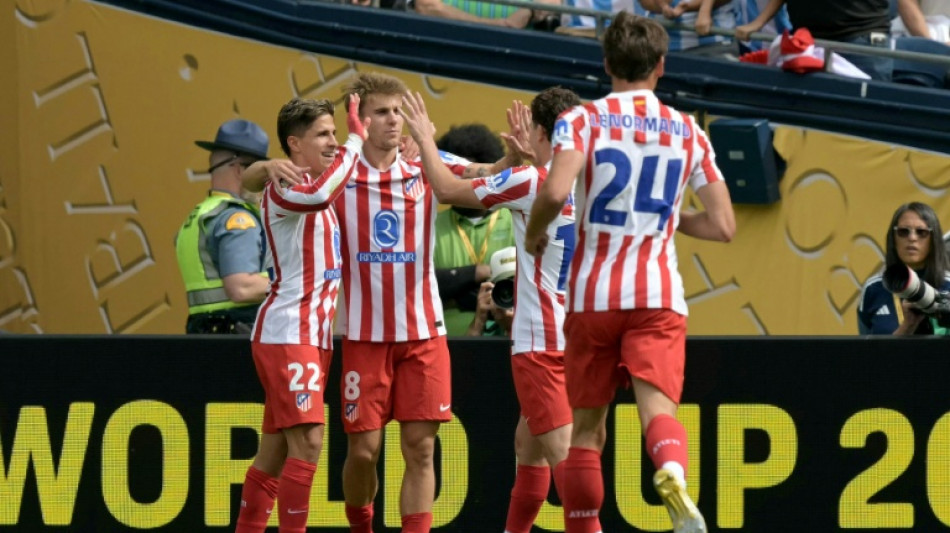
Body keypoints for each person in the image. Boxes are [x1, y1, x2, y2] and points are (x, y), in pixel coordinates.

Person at [523, 13, 735, 533]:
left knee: (587, 433)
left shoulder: (582, 119)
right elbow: (724, 225)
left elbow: (554, 192)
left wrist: (534, 234)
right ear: (661, 66)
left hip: (593, 295)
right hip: (658, 294)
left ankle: (582, 526)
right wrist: (670, 217)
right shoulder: (690, 130)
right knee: (657, 412)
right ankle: (669, 469)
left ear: (606, 63)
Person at [400, 86, 586, 533]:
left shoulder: (533, 183)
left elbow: (446, 189)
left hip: (541, 346)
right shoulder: (589, 181)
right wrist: (513, 160)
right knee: (529, 446)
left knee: (565, 464)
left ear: (541, 132)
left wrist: (425, 138)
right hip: (580, 339)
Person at [234, 97, 367, 533]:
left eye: (334, 132)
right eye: (323, 134)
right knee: (309, 444)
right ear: (294, 144)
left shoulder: (314, 185)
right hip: (289, 332)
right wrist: (354, 141)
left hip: (310, 336)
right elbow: (322, 191)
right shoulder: (289, 187)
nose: (332, 141)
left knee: (272, 454)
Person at [175, 119, 272, 334]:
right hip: (237, 334)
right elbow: (241, 287)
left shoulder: (198, 217)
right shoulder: (237, 219)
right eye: (260, 172)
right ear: (240, 171)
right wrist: (296, 283)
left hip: (204, 333)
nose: (265, 181)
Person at [432, 123, 516, 336]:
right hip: (450, 344)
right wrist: (479, 272)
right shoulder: (432, 225)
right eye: (459, 178)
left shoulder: (514, 221)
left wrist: (456, 291)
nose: (467, 186)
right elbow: (422, 285)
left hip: (508, 339)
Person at [857, 202, 950, 335]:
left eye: (921, 232)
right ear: (893, 238)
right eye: (903, 232)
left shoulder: (948, 285)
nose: (912, 238)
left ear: (933, 239)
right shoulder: (873, 288)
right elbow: (866, 351)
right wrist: (909, 325)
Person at [636, 0, 738, 57]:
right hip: (663, 47)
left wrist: (702, 9)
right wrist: (664, 7)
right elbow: (647, 3)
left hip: (714, 42)